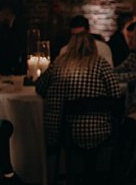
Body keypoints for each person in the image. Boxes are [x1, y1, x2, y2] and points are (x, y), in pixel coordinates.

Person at [36, 32, 124, 177]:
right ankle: (102, 175)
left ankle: (69, 175)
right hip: (97, 130)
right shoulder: (100, 63)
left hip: (62, 130)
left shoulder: (58, 63)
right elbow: (115, 95)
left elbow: (40, 86)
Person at [0, 4, 27, 76]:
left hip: (19, 66)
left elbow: (19, 47)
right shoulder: (5, 27)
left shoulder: (19, 25)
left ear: (6, 12)